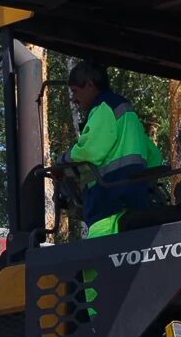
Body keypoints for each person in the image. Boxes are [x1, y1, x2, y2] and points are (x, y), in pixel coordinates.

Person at [65, 60, 165, 237]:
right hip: (134, 208)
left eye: (75, 91)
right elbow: (154, 156)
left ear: (89, 85)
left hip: (107, 210)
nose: (73, 99)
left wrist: (63, 162)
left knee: (94, 264)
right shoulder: (127, 115)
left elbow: (89, 151)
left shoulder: (103, 108)